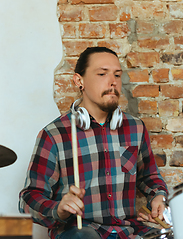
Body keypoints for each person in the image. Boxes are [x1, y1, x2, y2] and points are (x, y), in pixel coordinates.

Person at [19, 47, 168, 239]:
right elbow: (28, 200)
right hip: (81, 232)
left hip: (129, 232)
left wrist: (158, 195)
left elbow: (150, 177)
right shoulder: (54, 134)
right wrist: (59, 209)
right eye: (102, 74)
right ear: (79, 81)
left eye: (117, 74)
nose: (112, 81)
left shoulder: (135, 128)